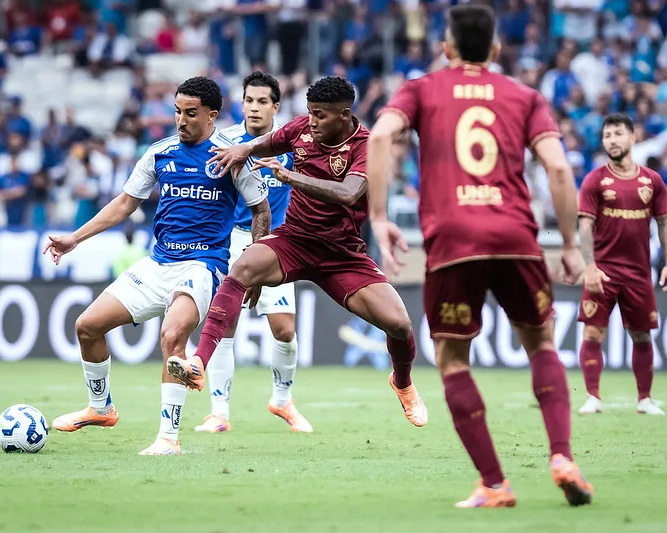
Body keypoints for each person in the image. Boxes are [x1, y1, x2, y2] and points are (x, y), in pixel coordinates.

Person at [366, 4, 591, 508]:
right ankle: (562, 458)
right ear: (496, 48)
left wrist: (379, 218)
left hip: (452, 241)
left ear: (445, 47)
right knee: (542, 345)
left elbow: (379, 136)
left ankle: (494, 484)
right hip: (516, 236)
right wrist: (570, 246)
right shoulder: (525, 96)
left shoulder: (422, 89)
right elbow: (558, 169)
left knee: (452, 360)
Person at [167, 76, 428, 429]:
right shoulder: (301, 128)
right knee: (242, 268)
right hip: (295, 240)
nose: (312, 121)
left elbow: (349, 193)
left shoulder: (366, 146)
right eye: (310, 113)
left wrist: (290, 177)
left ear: (344, 115)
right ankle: (198, 363)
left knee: (399, 325)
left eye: (320, 115)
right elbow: (269, 141)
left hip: (342, 255)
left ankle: (403, 382)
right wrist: (243, 149)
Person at [43, 77, 270, 456]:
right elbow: (124, 203)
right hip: (158, 263)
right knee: (87, 326)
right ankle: (101, 408)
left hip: (203, 266)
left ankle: (168, 438)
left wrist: (257, 263)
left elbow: (261, 210)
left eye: (191, 113)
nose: (181, 120)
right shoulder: (159, 152)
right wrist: (74, 238)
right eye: (177, 112)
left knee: (172, 335)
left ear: (212, 115)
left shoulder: (231, 157)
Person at [197, 71, 312, 433]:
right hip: (231, 238)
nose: (254, 107)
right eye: (249, 100)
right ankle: (219, 412)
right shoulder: (226, 141)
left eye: (263, 101)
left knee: (284, 330)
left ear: (276, 107)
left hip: (276, 241)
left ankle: (282, 400)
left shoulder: (290, 144)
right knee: (225, 322)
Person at [577, 114, 667, 417]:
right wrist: (589, 266)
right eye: (607, 135)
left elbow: (664, 224)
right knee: (592, 334)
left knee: (642, 335)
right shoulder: (594, 180)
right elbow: (585, 226)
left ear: (633, 137)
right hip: (603, 271)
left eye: (618, 134)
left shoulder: (652, 180)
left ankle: (645, 399)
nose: (612, 140)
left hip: (638, 273)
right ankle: (592, 397)